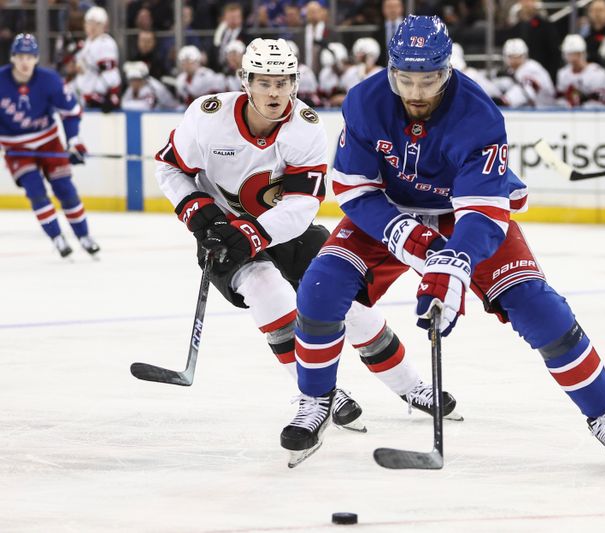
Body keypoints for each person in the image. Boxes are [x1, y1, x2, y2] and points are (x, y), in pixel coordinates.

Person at [281, 16, 605, 469]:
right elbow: (354, 188)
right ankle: (315, 402)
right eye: (406, 79)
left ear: (447, 70)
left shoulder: (478, 114)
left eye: (429, 79)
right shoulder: (364, 100)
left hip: (464, 216)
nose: (416, 93)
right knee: (319, 288)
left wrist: (452, 264)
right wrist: (405, 234)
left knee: (537, 306)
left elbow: (483, 213)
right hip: (388, 211)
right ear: (392, 69)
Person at [153, 38, 460, 467]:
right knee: (266, 289)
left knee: (342, 301)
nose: (274, 93)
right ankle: (316, 394)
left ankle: (409, 386)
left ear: (296, 83)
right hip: (224, 230)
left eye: (283, 82)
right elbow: (170, 167)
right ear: (246, 82)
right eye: (264, 82)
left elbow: (301, 207)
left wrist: (255, 233)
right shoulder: (207, 118)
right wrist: (196, 210)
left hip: (280, 228)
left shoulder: (306, 127)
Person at [0, 34, 100, 257]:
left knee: (65, 188)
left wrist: (73, 141)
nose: (25, 61)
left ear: (36, 59)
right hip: (17, 148)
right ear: (12, 58)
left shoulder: (49, 80)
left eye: (30, 56)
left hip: (48, 141)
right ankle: (57, 238)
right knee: (36, 191)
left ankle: (84, 235)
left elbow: (70, 112)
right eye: (20, 56)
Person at [74, 6, 121, 112]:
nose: (92, 27)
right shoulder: (87, 43)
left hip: (99, 97)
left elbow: (110, 73)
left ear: (105, 26)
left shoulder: (105, 43)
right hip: (85, 96)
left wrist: (112, 95)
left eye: (97, 24)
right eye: (89, 23)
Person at [495, 38, 556, 108]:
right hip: (530, 110)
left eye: (518, 57)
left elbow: (527, 91)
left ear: (525, 56)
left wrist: (504, 101)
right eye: (511, 57)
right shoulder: (511, 71)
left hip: (546, 110)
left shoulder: (532, 68)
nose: (515, 60)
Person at [556, 34, 605, 107]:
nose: (568, 56)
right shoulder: (563, 73)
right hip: (571, 116)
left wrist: (583, 101)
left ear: (582, 53)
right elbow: (559, 100)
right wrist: (569, 103)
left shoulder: (597, 72)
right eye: (567, 53)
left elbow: (604, 100)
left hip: (596, 115)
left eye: (573, 53)